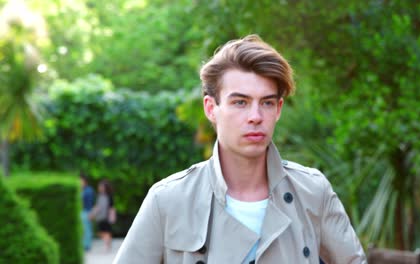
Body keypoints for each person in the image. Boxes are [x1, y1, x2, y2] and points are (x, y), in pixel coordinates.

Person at [114, 35, 366, 263]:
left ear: (278, 109)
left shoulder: (312, 191)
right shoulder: (168, 200)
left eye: (266, 103)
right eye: (240, 102)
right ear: (211, 108)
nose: (255, 116)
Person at [89, 179, 114, 252]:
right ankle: (108, 244)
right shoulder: (100, 196)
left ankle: (107, 245)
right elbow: (97, 207)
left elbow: (111, 208)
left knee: (106, 231)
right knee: (102, 232)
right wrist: (93, 214)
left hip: (106, 217)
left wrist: (111, 217)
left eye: (101, 187)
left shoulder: (109, 196)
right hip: (100, 217)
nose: (100, 188)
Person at [80, 172, 94, 251]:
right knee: (83, 229)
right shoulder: (82, 190)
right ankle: (84, 245)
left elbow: (90, 203)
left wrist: (91, 213)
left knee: (87, 229)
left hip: (87, 212)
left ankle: (87, 245)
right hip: (82, 212)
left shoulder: (88, 190)